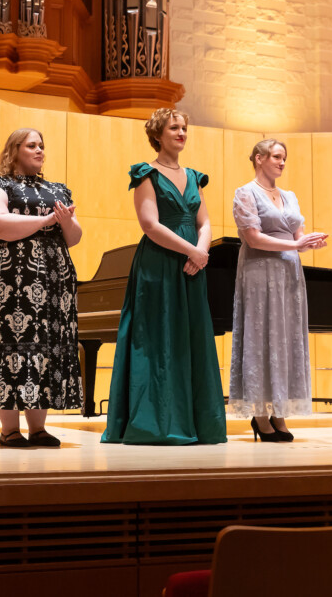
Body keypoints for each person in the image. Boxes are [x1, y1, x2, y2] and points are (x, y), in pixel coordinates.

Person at [101, 108, 227, 445]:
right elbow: (150, 225)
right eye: (175, 128)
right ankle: (155, 422)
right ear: (158, 135)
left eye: (185, 127)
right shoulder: (146, 174)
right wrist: (192, 252)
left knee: (191, 340)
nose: (182, 133)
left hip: (192, 265)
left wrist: (202, 252)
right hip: (159, 263)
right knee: (158, 340)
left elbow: (205, 222)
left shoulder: (195, 176)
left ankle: (197, 423)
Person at [0, 128, 83, 447]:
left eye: (42, 145)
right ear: (14, 150)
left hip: (50, 281)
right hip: (4, 279)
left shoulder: (57, 189)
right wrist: (44, 222)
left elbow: (72, 238)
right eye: (32, 145)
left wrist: (66, 222)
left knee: (43, 347)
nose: (40, 150)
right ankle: (9, 430)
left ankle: (38, 428)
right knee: (8, 345)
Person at [229, 139, 327, 442]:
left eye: (284, 158)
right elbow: (254, 238)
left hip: (288, 273)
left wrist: (309, 241)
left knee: (285, 340)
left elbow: (297, 234)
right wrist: (295, 244)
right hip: (260, 271)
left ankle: (279, 412)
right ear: (259, 158)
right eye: (276, 157)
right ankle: (260, 415)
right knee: (261, 339)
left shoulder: (289, 195)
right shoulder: (245, 193)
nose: (282, 162)